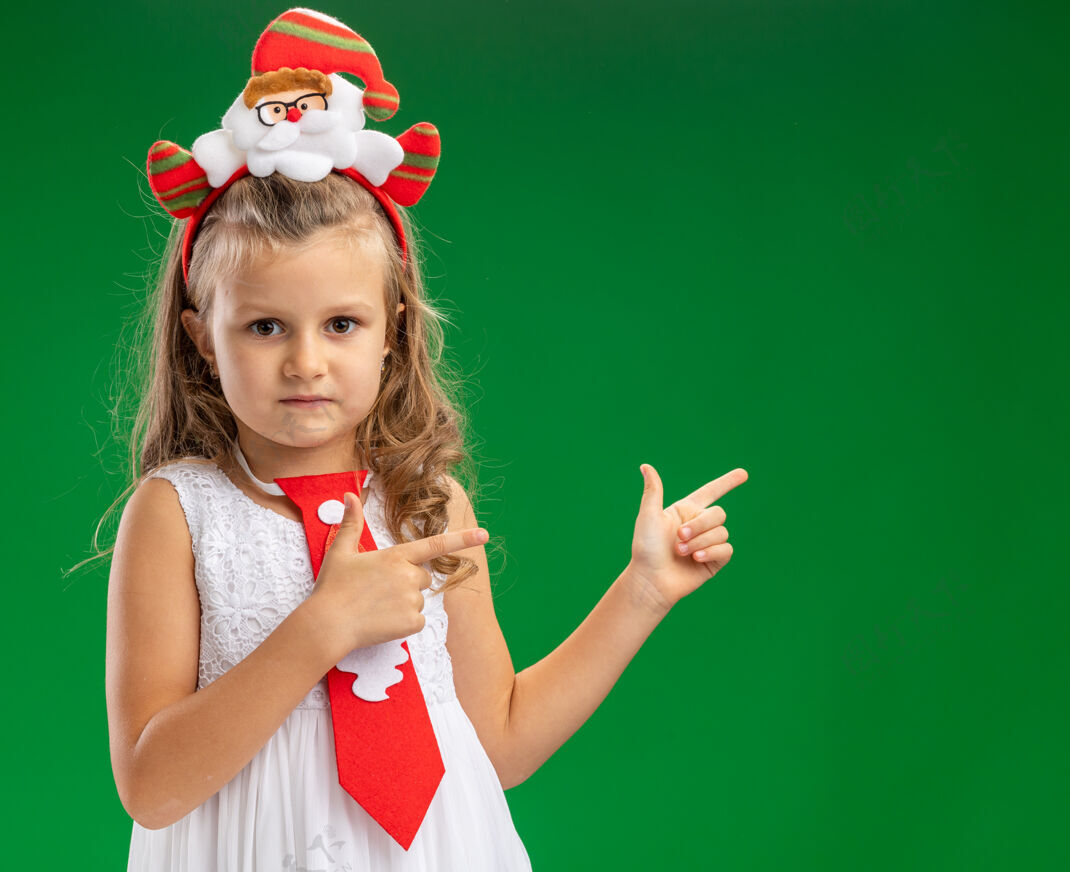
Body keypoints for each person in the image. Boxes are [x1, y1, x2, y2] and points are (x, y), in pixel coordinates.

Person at [99, 7, 748, 871]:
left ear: (392, 331)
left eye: (340, 323)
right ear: (199, 336)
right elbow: (151, 786)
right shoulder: (177, 513)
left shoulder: (426, 503)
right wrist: (320, 629)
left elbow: (502, 741)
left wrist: (644, 591)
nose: (305, 361)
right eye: (262, 327)